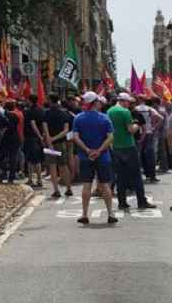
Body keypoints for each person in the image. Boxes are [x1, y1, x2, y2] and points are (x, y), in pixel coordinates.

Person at [71, 92, 115, 225]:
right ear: (96, 102)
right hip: (103, 157)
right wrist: (100, 150)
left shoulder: (78, 118)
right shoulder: (105, 118)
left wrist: (87, 150)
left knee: (86, 186)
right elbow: (111, 137)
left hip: (85, 157)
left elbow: (75, 137)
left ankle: (84, 214)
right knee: (106, 185)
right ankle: (110, 213)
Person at [108, 93, 151, 210]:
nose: (129, 105)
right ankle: (141, 201)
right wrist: (136, 125)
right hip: (128, 146)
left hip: (116, 146)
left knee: (120, 175)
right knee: (136, 175)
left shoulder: (110, 111)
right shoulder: (125, 112)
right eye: (128, 102)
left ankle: (122, 202)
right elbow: (131, 130)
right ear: (124, 101)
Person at [43, 95, 73, 198]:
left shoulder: (46, 113)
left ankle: (56, 190)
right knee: (64, 166)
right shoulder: (64, 113)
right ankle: (69, 188)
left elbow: (45, 129)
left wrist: (50, 140)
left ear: (50, 101)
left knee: (52, 167)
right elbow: (66, 130)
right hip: (61, 144)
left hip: (50, 145)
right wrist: (55, 138)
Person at [0, 100, 24, 184]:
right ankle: (11, 177)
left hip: (6, 138)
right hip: (15, 137)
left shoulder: (4, 115)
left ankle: (3, 174)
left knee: (3, 157)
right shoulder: (16, 116)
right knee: (13, 158)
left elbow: (3, 127)